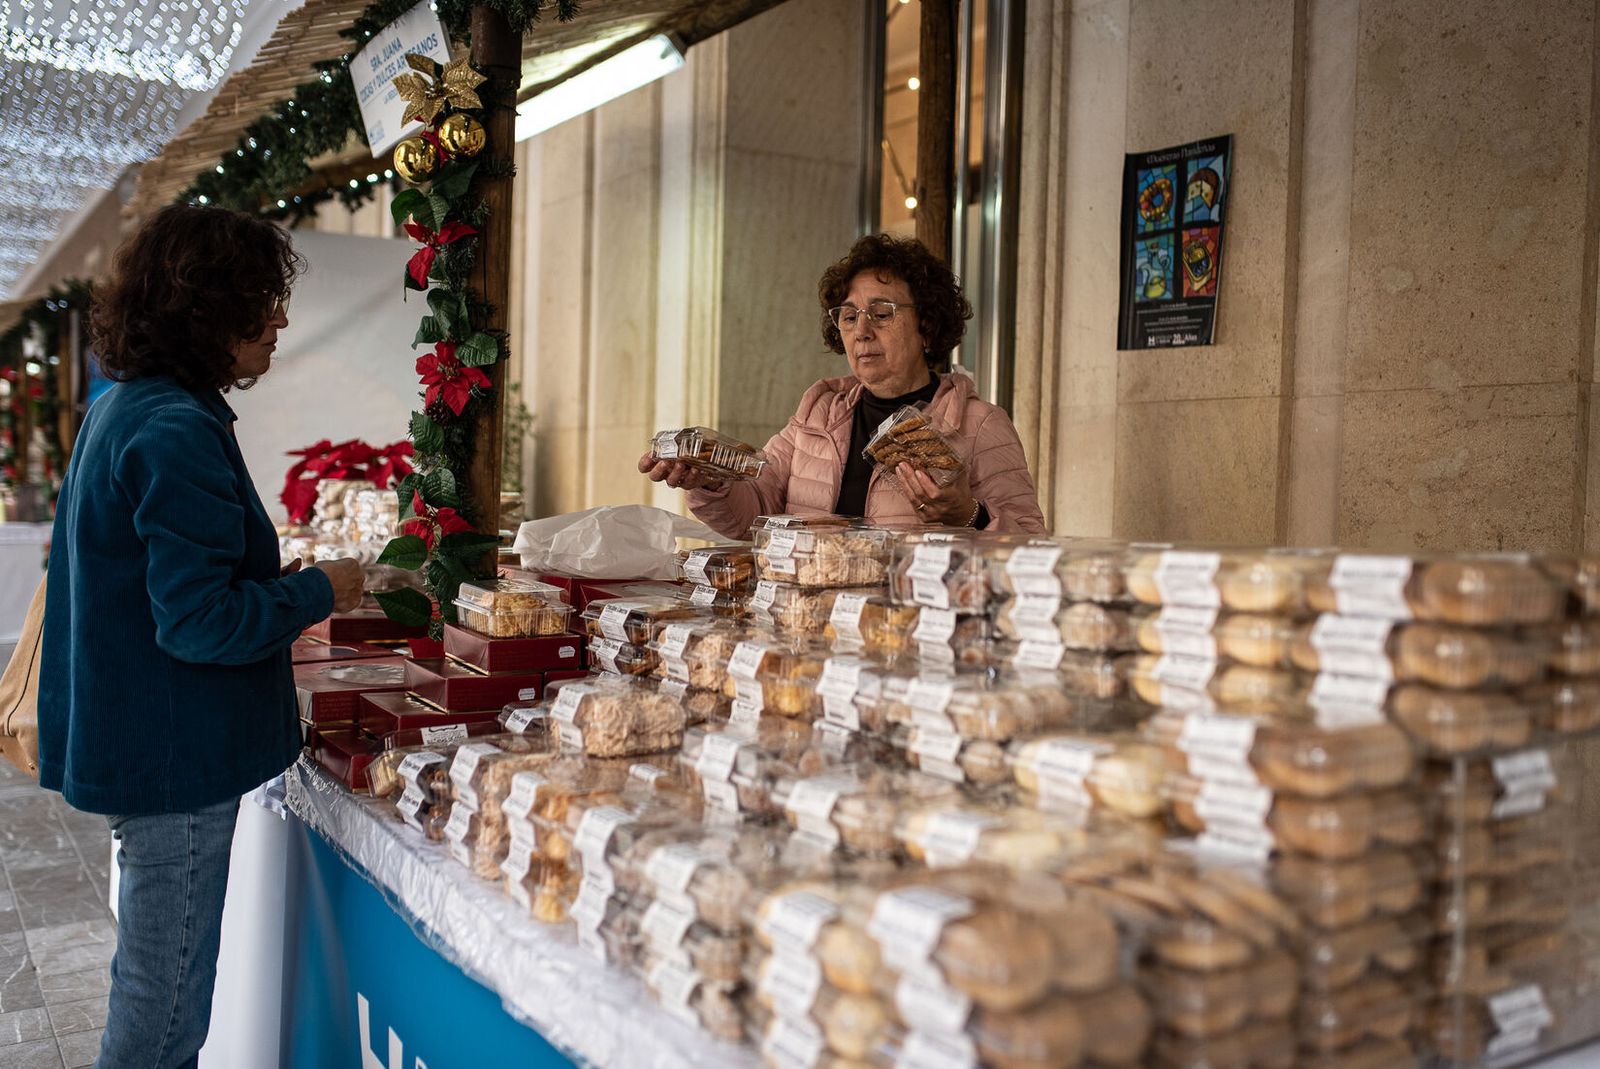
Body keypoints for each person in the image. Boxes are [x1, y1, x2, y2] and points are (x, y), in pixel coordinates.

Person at [37, 204, 364, 1069]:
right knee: (163, 1016)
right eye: (263, 299)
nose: (281, 320)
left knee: (156, 992)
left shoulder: (131, 409)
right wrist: (318, 588)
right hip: (172, 758)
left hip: (145, 742)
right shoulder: (172, 427)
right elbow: (200, 622)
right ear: (205, 309)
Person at [639, 234, 1048, 537]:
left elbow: (1029, 546)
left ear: (927, 326)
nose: (861, 332)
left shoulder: (977, 424)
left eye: (881, 314)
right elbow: (752, 513)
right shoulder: (817, 413)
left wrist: (967, 515)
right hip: (808, 630)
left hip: (907, 637)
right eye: (849, 317)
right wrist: (711, 481)